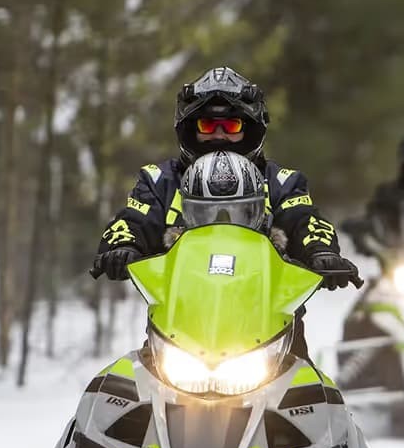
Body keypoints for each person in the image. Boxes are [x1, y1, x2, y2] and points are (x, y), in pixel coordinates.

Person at [92, 67, 361, 290]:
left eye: (231, 126)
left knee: (301, 359)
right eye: (207, 125)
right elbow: (133, 220)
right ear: (190, 128)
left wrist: (321, 251)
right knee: (131, 359)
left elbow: (304, 219)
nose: (219, 135)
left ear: (251, 129)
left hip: (269, 321)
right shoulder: (159, 180)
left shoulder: (283, 182)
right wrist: (122, 246)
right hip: (177, 320)